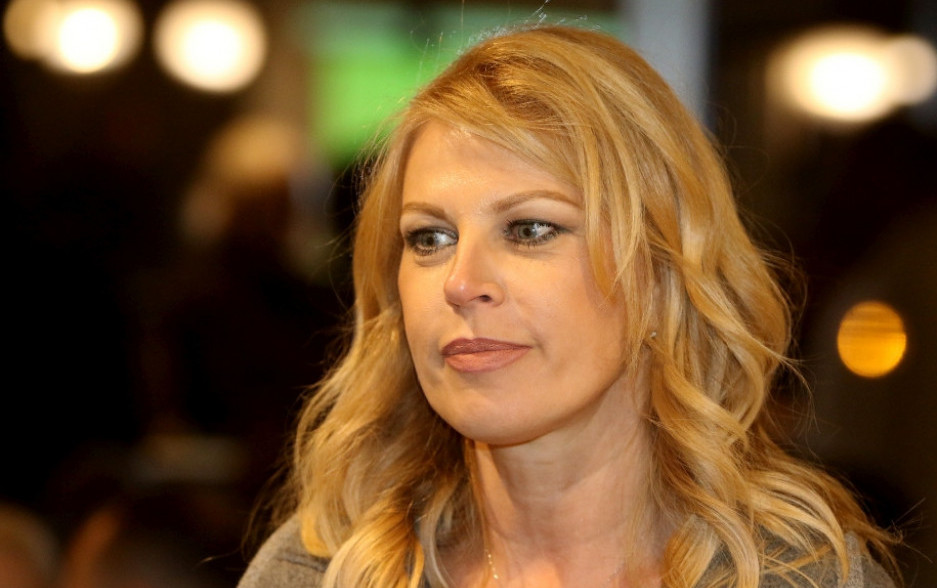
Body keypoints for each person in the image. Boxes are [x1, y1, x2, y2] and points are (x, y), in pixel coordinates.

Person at [239, 25, 899, 588]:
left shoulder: (801, 576)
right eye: (430, 238)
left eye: (529, 229)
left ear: (661, 269)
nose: (460, 283)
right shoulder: (320, 570)